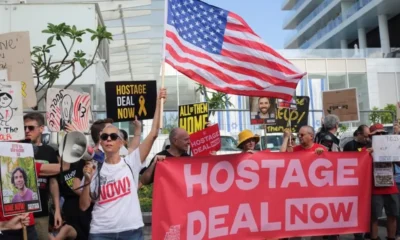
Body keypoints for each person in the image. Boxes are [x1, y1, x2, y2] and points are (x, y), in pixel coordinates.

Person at [80, 88, 166, 240]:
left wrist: (160, 102)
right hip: (101, 233)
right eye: (104, 137)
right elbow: (84, 206)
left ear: (121, 142)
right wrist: (87, 181)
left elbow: (153, 134)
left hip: (131, 230)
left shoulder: (131, 161)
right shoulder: (93, 168)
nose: (108, 139)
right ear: (100, 142)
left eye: (113, 136)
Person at [24, 112, 63, 239]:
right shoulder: (18, 149)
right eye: (24, 127)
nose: (27, 131)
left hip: (41, 212)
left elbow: (53, 182)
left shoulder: (49, 151)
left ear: (41, 129)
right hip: (20, 212)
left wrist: (57, 210)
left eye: (31, 127)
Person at [368, 123, 398, 240]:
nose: (380, 135)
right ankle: (374, 238)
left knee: (393, 215)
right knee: (374, 216)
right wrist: (367, 155)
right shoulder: (366, 150)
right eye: (377, 134)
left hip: (391, 186)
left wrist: (396, 154)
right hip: (374, 188)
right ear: (371, 136)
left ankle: (391, 237)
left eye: (382, 133)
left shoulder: (392, 148)